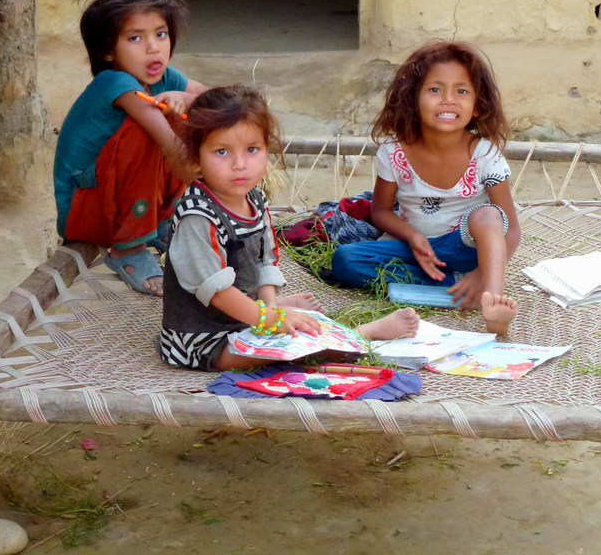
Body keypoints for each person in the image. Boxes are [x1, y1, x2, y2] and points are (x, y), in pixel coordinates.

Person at [159, 85, 420, 371]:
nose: (239, 164)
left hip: (248, 318)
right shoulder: (199, 216)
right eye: (222, 151)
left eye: (252, 150)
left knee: (297, 327)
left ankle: (284, 311)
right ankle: (362, 335)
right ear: (196, 158)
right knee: (283, 355)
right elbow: (217, 291)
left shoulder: (254, 199)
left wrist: (270, 309)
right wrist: (273, 320)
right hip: (202, 337)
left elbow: (263, 261)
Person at [331, 40, 522, 335]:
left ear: (478, 106)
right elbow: (380, 211)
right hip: (414, 249)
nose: (448, 100)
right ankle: (455, 285)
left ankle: (492, 299)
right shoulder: (394, 153)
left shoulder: (485, 155)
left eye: (462, 91)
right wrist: (412, 236)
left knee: (487, 216)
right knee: (345, 260)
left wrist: (481, 273)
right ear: (413, 99)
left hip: (465, 248)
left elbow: (510, 229)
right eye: (435, 89)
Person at [53, 0, 206, 296]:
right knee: (155, 123)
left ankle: (160, 223)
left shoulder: (163, 76)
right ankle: (127, 248)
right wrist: (217, 179)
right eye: (135, 37)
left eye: (160, 34)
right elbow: (169, 145)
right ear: (107, 51)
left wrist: (187, 98)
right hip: (87, 212)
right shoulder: (114, 81)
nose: (154, 47)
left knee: (180, 108)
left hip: (120, 201)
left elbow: (215, 99)